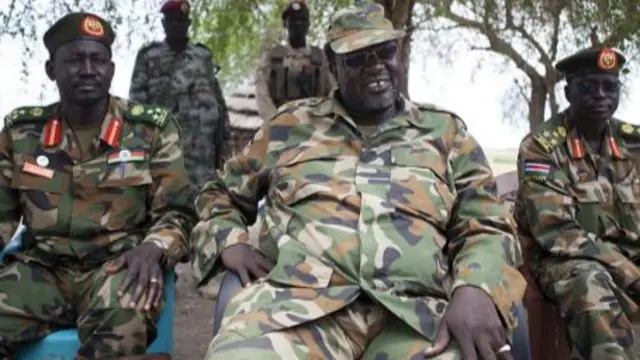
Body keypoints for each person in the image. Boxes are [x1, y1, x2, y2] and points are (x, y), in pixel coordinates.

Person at [191, 4, 526, 359]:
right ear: (333, 66)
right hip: (295, 312)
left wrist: (476, 285)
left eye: (385, 52)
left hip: (419, 317)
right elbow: (219, 195)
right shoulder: (288, 128)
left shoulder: (445, 134)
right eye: (357, 58)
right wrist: (229, 241)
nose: (376, 65)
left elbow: (488, 223)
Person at [0, 12, 196, 359]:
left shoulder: (150, 131)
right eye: (75, 60)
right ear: (51, 70)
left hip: (119, 268)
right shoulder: (21, 135)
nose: (88, 69)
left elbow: (177, 212)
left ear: (111, 68)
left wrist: (152, 248)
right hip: (40, 271)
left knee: (121, 326)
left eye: (98, 59)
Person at [515, 47, 638, 359]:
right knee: (591, 284)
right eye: (588, 87)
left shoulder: (634, 143)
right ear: (569, 92)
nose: (601, 95)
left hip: (629, 258)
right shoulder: (542, 148)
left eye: (609, 87)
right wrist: (626, 270)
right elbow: (556, 232)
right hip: (566, 262)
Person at [129, 0, 229, 196]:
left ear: (188, 23)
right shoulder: (149, 57)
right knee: (166, 208)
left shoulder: (203, 56)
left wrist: (225, 140)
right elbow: (136, 107)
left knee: (204, 206)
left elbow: (218, 102)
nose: (176, 26)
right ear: (164, 24)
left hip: (202, 154)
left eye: (181, 21)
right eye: (172, 21)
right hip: (164, 152)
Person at [254, 0, 335, 121]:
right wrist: (276, 123)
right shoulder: (271, 58)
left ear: (308, 25)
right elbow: (262, 96)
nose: (298, 24)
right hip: (281, 125)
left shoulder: (321, 57)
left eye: (302, 20)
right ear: (285, 24)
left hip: (317, 123)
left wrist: (325, 118)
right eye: (293, 20)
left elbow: (333, 90)